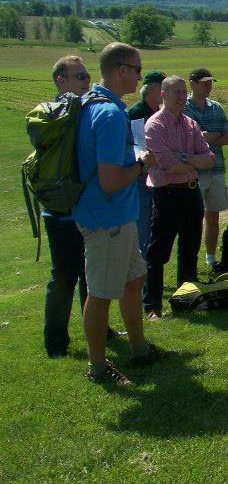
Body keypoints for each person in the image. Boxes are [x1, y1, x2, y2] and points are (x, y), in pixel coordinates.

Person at [73, 42, 172, 386]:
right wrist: (141, 164)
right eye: (137, 69)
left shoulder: (94, 104)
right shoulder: (111, 114)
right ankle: (99, 368)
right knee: (100, 294)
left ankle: (139, 347)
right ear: (120, 70)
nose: (141, 77)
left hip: (117, 216)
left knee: (134, 279)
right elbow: (111, 179)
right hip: (106, 218)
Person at [142, 76, 215, 319]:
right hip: (167, 194)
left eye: (184, 92)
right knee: (159, 250)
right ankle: (152, 305)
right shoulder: (155, 125)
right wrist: (190, 160)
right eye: (177, 92)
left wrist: (183, 157)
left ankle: (187, 299)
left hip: (191, 192)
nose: (182, 97)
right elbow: (167, 165)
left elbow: (209, 159)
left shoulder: (190, 124)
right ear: (162, 95)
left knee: (190, 247)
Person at [42, 55, 99, 358]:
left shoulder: (83, 111)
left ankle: (97, 328)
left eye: (87, 75)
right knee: (64, 275)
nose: (86, 81)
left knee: (90, 272)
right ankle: (55, 343)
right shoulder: (54, 116)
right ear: (60, 81)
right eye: (79, 77)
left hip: (83, 205)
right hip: (61, 209)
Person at [184, 67, 228, 267]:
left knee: (213, 217)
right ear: (193, 83)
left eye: (210, 82)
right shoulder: (185, 108)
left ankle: (211, 258)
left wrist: (205, 136)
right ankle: (189, 262)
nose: (208, 86)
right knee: (192, 220)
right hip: (194, 172)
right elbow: (192, 140)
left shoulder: (216, 107)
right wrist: (214, 136)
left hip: (216, 169)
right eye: (204, 83)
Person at [127, 69, 165, 254]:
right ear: (153, 89)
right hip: (142, 178)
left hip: (159, 176)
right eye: (163, 87)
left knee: (155, 226)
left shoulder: (162, 112)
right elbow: (137, 148)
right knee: (143, 225)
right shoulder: (136, 112)